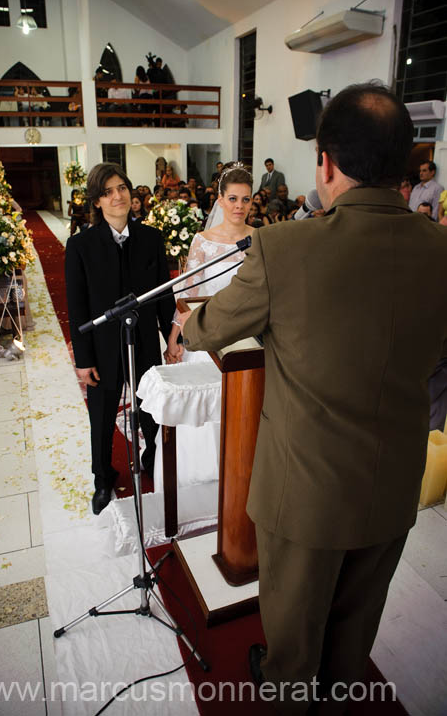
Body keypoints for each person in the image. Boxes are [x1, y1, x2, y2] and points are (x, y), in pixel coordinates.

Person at [181, 82, 447, 713]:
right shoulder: (441, 251)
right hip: (391, 484)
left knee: (294, 639)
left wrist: (188, 324)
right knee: (354, 631)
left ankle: (286, 692)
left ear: (325, 163)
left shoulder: (285, 248)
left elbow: (210, 326)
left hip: (307, 493)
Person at [65, 163, 175, 515]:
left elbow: (163, 295)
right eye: (108, 191)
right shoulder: (80, 246)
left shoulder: (151, 239)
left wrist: (171, 339)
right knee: (101, 417)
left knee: (150, 410)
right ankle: (102, 478)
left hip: (144, 342)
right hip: (102, 348)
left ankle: (153, 456)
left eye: (123, 188)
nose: (118, 196)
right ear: (97, 201)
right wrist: (83, 360)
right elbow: (77, 306)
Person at [156, 163, 253, 492]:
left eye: (246, 199)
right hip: (208, 333)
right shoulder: (203, 241)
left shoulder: (261, 239)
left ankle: (240, 466)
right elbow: (187, 294)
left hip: (247, 336)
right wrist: (175, 337)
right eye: (233, 198)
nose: (239, 206)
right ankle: (205, 472)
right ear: (221, 201)